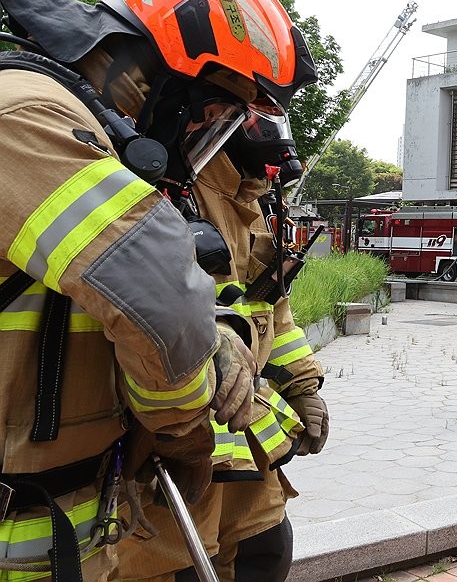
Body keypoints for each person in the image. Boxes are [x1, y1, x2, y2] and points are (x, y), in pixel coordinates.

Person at [0, 0, 315, 581]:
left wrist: (224, 333)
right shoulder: (26, 116)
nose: (208, 137)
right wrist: (182, 433)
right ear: (161, 79)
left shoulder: (95, 136)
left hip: (68, 518)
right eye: (216, 111)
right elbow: (161, 300)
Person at [117, 139, 326, 579]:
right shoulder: (161, 178)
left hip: (245, 425)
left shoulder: (247, 199)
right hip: (174, 434)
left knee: (266, 549)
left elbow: (271, 306)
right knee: (181, 566)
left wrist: (303, 385)